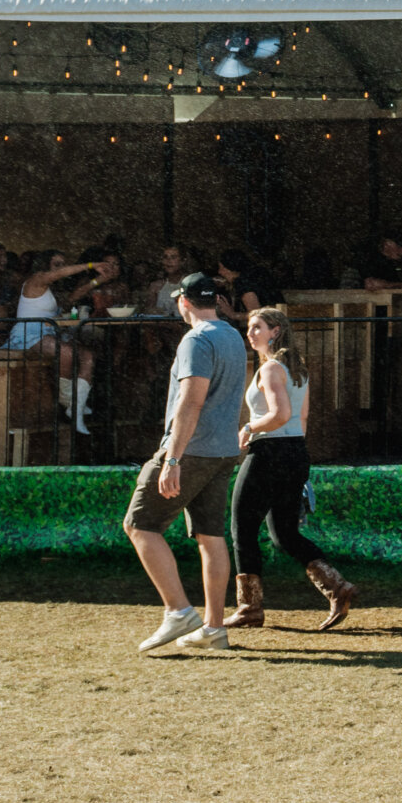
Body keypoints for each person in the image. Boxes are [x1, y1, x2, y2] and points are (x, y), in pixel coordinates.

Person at [128, 273, 251, 656]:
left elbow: (190, 401)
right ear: (214, 300)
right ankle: (214, 627)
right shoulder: (231, 334)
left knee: (140, 524)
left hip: (193, 449)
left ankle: (179, 611)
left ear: (183, 302)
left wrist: (172, 458)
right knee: (211, 536)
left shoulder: (196, 339)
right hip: (222, 448)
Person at [223, 306, 359, 632]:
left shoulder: (271, 370)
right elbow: (303, 418)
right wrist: (296, 458)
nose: (250, 333)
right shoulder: (298, 370)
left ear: (276, 331)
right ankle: (338, 588)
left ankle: (249, 609)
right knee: (283, 534)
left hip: (269, 453)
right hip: (295, 451)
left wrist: (249, 428)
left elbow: (280, 414)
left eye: (257, 327)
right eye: (249, 327)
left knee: (242, 528)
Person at [8, 249, 106, 435]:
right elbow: (60, 274)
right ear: (45, 266)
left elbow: (74, 296)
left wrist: (98, 281)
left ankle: (75, 409)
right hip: (28, 334)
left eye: (64, 263)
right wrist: (91, 265)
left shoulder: (53, 289)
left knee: (88, 356)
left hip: (49, 334)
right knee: (66, 352)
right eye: (57, 264)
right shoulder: (36, 279)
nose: (63, 268)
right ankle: (71, 401)